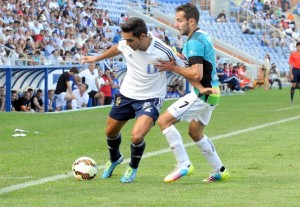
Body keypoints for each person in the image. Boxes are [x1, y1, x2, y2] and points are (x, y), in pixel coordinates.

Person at [81, 17, 185, 183]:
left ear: (143, 36)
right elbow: (118, 48)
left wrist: (177, 68)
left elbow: (183, 66)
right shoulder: (125, 42)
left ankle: (133, 167)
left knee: (136, 136)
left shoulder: (162, 50)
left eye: (130, 40)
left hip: (151, 98)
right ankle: (115, 158)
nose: (127, 43)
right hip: (126, 94)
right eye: (125, 39)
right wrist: (96, 58)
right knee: (110, 132)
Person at [155, 3, 229, 183]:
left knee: (164, 121)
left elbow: (197, 73)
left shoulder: (194, 41)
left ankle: (183, 164)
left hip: (202, 94)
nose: (176, 24)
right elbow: (195, 67)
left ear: (192, 21)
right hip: (211, 93)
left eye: (179, 21)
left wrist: (173, 67)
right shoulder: (199, 36)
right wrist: (180, 60)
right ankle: (219, 170)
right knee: (195, 132)